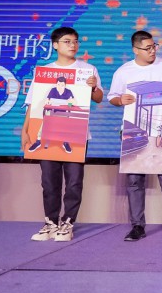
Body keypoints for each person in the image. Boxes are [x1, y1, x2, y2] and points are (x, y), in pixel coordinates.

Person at [108, 31, 162, 243]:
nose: (152, 51)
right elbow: (112, 97)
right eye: (147, 48)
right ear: (135, 50)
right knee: (135, 180)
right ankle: (137, 226)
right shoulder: (123, 72)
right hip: (134, 130)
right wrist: (120, 100)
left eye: (154, 46)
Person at [22, 27, 103, 242]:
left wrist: (93, 88)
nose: (73, 45)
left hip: (76, 132)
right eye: (67, 41)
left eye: (75, 41)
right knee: (49, 181)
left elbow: (98, 98)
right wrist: (25, 130)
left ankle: (68, 223)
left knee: (74, 181)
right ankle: (50, 222)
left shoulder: (87, 69)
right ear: (55, 45)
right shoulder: (44, 72)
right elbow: (33, 104)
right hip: (49, 126)